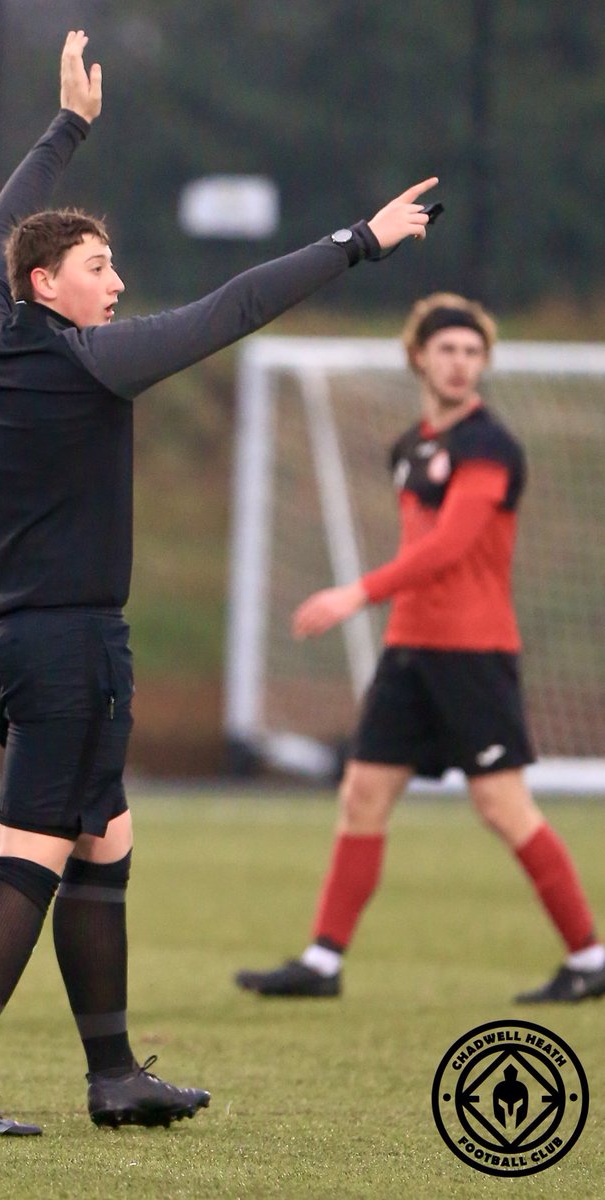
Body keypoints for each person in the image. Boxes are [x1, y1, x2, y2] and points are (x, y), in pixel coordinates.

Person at [0, 30, 439, 1137]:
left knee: (105, 845)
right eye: (100, 267)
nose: (120, 282)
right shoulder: (86, 359)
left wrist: (68, 129)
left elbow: (2, 227)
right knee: (32, 860)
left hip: (8, 642)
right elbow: (234, 307)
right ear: (48, 285)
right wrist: (360, 242)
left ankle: (114, 1078)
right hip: (65, 649)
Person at [235, 292, 605, 1006]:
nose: (461, 364)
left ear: (484, 363)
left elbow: (453, 546)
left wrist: (357, 593)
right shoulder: (410, 445)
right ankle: (322, 961)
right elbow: (423, 550)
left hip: (473, 652)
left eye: (473, 353)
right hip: (410, 651)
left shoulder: (490, 446)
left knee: (503, 806)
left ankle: (590, 956)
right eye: (448, 351)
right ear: (419, 357)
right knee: (363, 795)